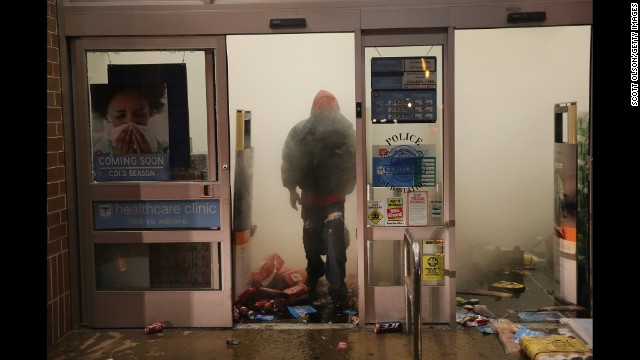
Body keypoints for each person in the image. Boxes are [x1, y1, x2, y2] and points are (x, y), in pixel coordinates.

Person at [281, 90, 356, 310]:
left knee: (311, 240)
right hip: (333, 197)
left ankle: (315, 276)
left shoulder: (300, 130)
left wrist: (291, 190)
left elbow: (289, 160)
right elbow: (354, 160)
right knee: (334, 243)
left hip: (312, 196)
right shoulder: (346, 129)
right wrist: (350, 186)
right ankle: (336, 288)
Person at [91, 82, 169, 155]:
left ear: (150, 111)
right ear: (107, 115)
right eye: (120, 115)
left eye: (140, 114)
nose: (131, 122)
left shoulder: (166, 150)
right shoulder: (98, 152)